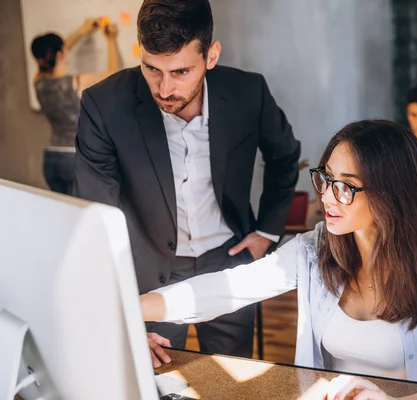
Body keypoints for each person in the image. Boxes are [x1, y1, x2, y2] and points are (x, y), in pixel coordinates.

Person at [141, 120, 417, 400]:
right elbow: (229, 288)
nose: (328, 197)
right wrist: (128, 311)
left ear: (391, 193)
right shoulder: (317, 249)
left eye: (347, 187)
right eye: (327, 178)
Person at [74, 0, 300, 360]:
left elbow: (285, 156)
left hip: (228, 262)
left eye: (180, 72)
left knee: (233, 383)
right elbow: (97, 217)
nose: (164, 89)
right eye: (152, 69)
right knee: (154, 385)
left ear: (211, 56)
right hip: (146, 274)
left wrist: (267, 232)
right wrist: (122, 315)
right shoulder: (104, 106)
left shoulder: (248, 93)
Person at [31, 18, 119, 195]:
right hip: (74, 159)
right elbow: (114, 75)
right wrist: (111, 39)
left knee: (65, 214)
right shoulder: (77, 83)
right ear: (60, 55)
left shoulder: (38, 82)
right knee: (84, 215)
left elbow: (57, 54)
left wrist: (82, 31)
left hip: (51, 158)